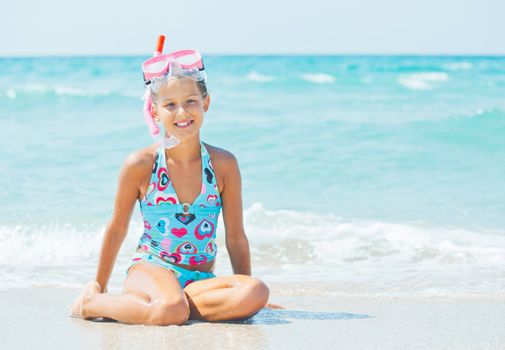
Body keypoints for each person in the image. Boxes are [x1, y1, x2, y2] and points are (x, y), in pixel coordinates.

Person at [70, 44, 270, 325]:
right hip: (151, 269)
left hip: (199, 279)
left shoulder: (223, 164)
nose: (182, 112)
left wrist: (243, 294)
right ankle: (95, 304)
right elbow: (117, 228)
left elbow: (236, 237)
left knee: (256, 291)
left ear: (206, 103)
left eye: (190, 101)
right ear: (154, 112)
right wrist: (99, 286)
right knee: (172, 307)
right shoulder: (141, 164)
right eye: (170, 105)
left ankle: (168, 306)